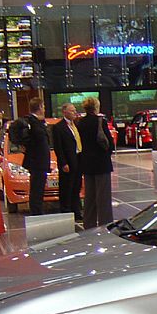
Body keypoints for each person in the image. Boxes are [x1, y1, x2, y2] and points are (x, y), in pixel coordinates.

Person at [77, 96, 114, 228]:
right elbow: (109, 143)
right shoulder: (100, 121)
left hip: (87, 164)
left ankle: (89, 224)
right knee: (103, 197)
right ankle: (106, 224)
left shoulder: (79, 123)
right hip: (101, 163)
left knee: (89, 197)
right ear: (96, 107)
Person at [52, 102, 83, 222]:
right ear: (64, 112)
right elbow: (58, 147)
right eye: (71, 111)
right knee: (67, 188)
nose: (74, 113)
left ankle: (77, 211)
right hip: (68, 162)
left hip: (78, 159)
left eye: (75, 110)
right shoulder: (58, 127)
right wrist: (63, 162)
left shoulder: (76, 125)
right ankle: (66, 211)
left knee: (76, 187)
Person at [21, 97, 51, 216]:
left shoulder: (37, 122)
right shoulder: (32, 122)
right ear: (39, 108)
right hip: (37, 162)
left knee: (39, 189)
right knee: (36, 189)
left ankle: (38, 210)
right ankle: (36, 212)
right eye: (43, 107)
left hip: (40, 162)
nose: (44, 109)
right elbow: (31, 139)